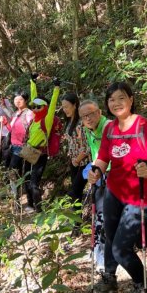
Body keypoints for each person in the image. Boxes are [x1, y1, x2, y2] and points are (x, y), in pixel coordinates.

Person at [88, 81, 147, 293]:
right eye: (112, 100)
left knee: (121, 248)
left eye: (121, 98)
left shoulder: (145, 127)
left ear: (131, 99)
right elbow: (103, 156)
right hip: (114, 191)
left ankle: (143, 287)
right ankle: (110, 279)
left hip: (140, 195)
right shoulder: (110, 129)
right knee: (109, 237)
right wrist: (96, 170)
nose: (116, 103)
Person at [79, 99, 110, 271]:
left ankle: (104, 258)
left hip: (111, 178)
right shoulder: (89, 130)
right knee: (99, 216)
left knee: (103, 217)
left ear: (99, 112)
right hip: (98, 176)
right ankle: (99, 252)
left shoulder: (109, 127)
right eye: (84, 116)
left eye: (91, 114)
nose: (88, 118)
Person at [24, 78, 61, 212]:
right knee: (26, 179)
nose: (34, 108)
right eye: (33, 107)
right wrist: (32, 82)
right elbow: (34, 98)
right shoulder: (35, 118)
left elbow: (52, 105)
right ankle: (29, 204)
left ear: (44, 107)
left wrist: (56, 88)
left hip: (40, 153)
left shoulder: (47, 119)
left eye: (38, 106)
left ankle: (39, 208)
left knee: (34, 183)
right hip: (28, 150)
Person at [61, 93, 91, 231]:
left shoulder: (81, 123)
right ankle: (76, 224)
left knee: (75, 190)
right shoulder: (69, 122)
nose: (65, 109)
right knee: (77, 193)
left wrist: (77, 159)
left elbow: (87, 146)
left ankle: (70, 218)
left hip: (83, 163)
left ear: (75, 105)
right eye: (63, 107)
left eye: (67, 106)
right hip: (73, 162)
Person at [8, 90, 34, 210]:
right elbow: (11, 129)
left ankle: (30, 203)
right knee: (13, 173)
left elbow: (31, 128)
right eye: (15, 99)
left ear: (26, 100)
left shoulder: (30, 113)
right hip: (14, 147)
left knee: (26, 174)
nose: (17, 102)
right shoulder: (14, 114)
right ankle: (15, 201)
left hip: (26, 147)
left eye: (20, 99)